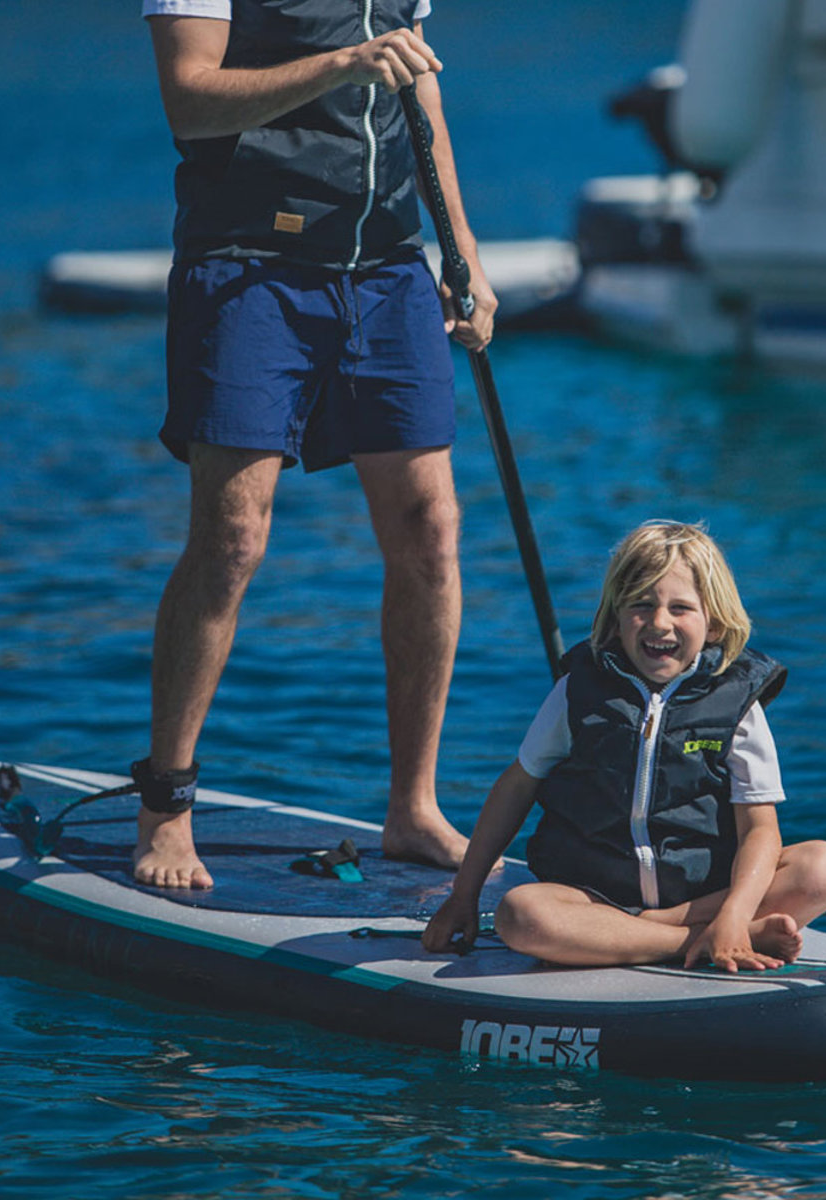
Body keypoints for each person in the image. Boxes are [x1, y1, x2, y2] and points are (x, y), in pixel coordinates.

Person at [133, 0, 497, 889]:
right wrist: (342, 64)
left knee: (430, 533)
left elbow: (423, 99)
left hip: (388, 269)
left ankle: (413, 810)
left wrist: (465, 254)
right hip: (250, 263)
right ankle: (165, 810)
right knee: (232, 541)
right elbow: (191, 100)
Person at [423, 521, 826, 971]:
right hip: (593, 898)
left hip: (701, 895)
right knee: (520, 916)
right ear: (616, 617)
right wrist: (463, 894)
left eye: (681, 608)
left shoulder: (738, 706)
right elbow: (516, 787)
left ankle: (699, 928)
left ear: (716, 624)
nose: (659, 622)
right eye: (642, 605)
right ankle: (691, 941)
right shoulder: (577, 693)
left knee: (823, 868)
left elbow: (760, 830)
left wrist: (735, 910)